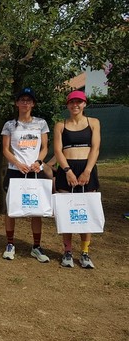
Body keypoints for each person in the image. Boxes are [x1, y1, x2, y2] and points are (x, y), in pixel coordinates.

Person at [1, 87, 50, 262]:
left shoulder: (41, 123)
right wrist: (17, 164)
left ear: (33, 104)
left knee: (36, 210)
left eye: (29, 100)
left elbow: (45, 148)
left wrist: (38, 163)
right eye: (22, 100)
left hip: (35, 172)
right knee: (11, 209)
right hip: (16, 172)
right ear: (17, 103)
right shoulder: (9, 125)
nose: (25, 103)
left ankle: (36, 246)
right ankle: (10, 244)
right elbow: (5, 150)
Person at [53, 90, 100, 269]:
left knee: (85, 214)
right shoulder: (60, 125)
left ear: (84, 104)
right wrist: (67, 171)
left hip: (87, 170)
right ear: (67, 105)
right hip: (67, 171)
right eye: (72, 102)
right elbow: (58, 150)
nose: (75, 105)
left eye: (79, 102)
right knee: (67, 213)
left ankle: (85, 253)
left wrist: (87, 171)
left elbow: (95, 149)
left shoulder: (94, 123)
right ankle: (67, 251)